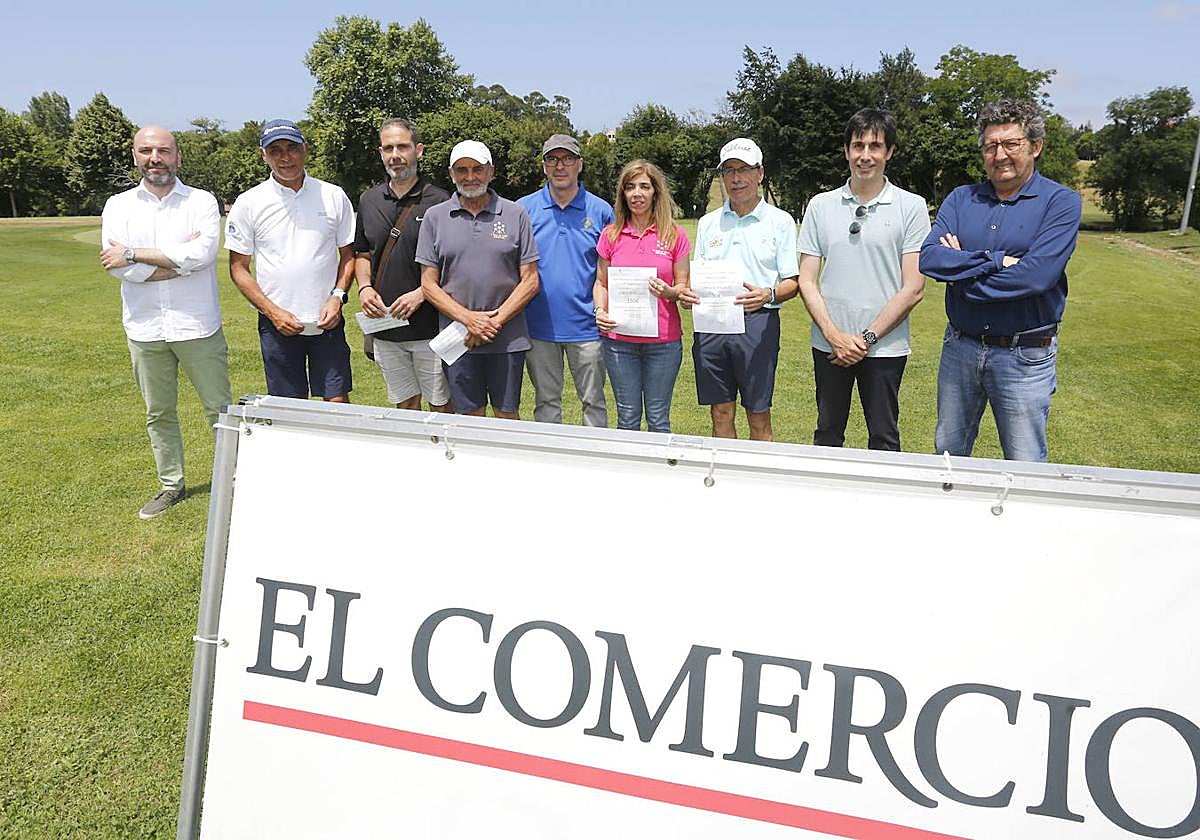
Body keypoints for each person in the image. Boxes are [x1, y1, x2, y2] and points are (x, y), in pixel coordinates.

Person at [920, 99, 1082, 462]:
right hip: (960, 348)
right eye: (991, 146)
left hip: (1025, 355)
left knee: (1025, 463)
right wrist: (996, 261)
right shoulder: (961, 199)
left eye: (1011, 144)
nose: (1000, 155)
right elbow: (930, 258)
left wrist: (962, 278)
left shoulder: (1061, 202)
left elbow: (1036, 277)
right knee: (947, 458)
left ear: (1035, 147)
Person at [100, 125, 231, 520]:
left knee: (219, 410)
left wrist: (134, 253)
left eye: (163, 150)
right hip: (144, 328)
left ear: (178, 156)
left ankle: (233, 481)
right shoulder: (118, 206)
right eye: (146, 151)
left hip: (197, 325)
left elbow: (202, 254)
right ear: (135, 156)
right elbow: (116, 267)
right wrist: (176, 263)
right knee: (159, 412)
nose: (154, 158)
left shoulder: (201, 201)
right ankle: (171, 484)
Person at [796, 109, 931, 451]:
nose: (865, 155)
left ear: (890, 152)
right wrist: (834, 336)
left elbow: (914, 288)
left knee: (884, 438)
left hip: (885, 347)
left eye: (875, 146)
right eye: (858, 146)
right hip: (830, 346)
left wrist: (866, 338)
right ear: (846, 151)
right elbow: (807, 280)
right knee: (827, 435)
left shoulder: (912, 207)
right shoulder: (820, 205)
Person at [225, 119, 356, 402]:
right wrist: (273, 312)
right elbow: (238, 268)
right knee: (288, 408)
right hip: (277, 324)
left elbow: (348, 255)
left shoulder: (333, 195)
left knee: (337, 405)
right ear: (263, 155)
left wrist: (337, 297)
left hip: (327, 320)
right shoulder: (249, 202)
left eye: (292, 148)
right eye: (275, 150)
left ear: (305, 149)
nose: (285, 157)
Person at [417, 140, 540, 419]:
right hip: (458, 338)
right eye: (462, 170)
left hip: (507, 338)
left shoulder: (515, 214)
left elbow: (530, 280)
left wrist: (492, 323)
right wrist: (469, 320)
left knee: (507, 416)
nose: (470, 177)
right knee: (469, 417)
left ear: (490, 172)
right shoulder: (435, 217)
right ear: (451, 174)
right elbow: (428, 284)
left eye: (477, 169)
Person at [692, 138, 799, 441]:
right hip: (712, 324)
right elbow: (699, 275)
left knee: (758, 412)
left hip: (758, 322)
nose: (736, 178)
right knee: (720, 411)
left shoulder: (780, 222)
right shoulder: (708, 223)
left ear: (759, 173)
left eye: (744, 170)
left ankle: (760, 471)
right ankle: (726, 470)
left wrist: (769, 294)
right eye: (729, 171)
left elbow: (793, 282)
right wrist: (691, 294)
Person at [354, 118, 452, 412]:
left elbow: (453, 263)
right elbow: (362, 253)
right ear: (381, 153)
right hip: (386, 327)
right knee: (405, 406)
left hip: (431, 328)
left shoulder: (441, 201)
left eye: (403, 147)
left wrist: (423, 293)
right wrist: (364, 288)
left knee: (441, 405)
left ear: (418, 150)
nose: (395, 155)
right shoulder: (369, 200)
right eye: (388, 148)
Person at [517, 134, 615, 426]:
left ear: (580, 164)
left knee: (594, 402)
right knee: (546, 403)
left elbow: (611, 272)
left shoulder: (601, 211)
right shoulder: (523, 209)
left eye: (568, 159)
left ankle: (594, 454)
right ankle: (549, 456)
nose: (560, 166)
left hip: (588, 327)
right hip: (538, 326)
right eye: (552, 159)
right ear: (544, 166)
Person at [593, 160, 697, 433]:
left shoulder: (674, 234)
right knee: (627, 417)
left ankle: (659, 464)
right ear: (623, 194)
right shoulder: (611, 234)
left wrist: (670, 292)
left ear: (655, 192)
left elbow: (683, 286)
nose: (637, 193)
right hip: (619, 342)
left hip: (663, 343)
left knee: (658, 418)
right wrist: (600, 311)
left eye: (644, 187)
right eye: (630, 187)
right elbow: (601, 283)